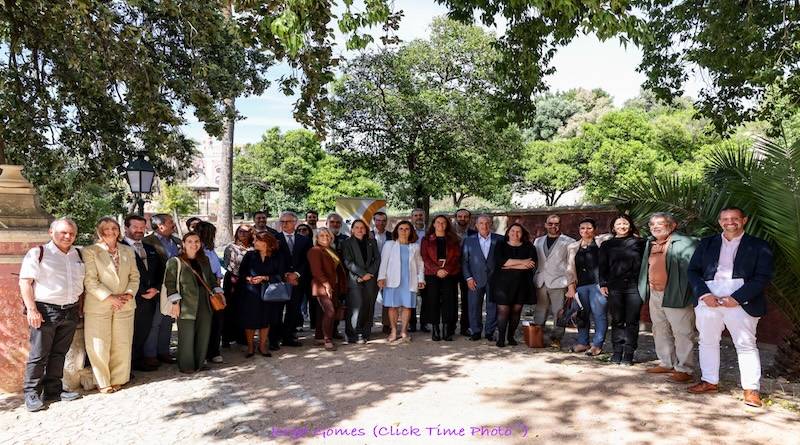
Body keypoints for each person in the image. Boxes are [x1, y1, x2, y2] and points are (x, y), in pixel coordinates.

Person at [687, 207, 774, 408]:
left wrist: (737, 298)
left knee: (746, 344)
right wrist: (704, 295)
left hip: (741, 301)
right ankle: (709, 381)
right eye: (725, 219)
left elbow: (763, 276)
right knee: (707, 341)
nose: (730, 222)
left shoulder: (759, 245)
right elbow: (693, 271)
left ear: (744, 220)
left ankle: (751, 390)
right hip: (708, 299)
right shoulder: (706, 243)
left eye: (735, 218)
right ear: (720, 222)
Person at [18, 218, 84, 412]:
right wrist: (32, 309)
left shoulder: (78, 254)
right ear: (51, 232)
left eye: (71, 233)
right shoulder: (38, 253)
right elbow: (25, 282)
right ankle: (31, 393)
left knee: (59, 353)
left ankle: (53, 390)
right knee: (39, 354)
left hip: (70, 310)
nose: (67, 236)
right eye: (63, 232)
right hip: (45, 310)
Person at [638, 212, 698, 383]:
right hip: (655, 293)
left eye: (660, 223)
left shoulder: (686, 242)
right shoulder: (650, 243)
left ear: (672, 225)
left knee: (682, 332)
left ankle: (685, 369)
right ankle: (666, 362)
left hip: (676, 292)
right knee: (660, 328)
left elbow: (694, 270)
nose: (655, 227)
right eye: (652, 224)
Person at [82, 217, 139, 393]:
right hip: (99, 304)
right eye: (106, 228)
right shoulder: (90, 251)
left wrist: (129, 294)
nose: (110, 231)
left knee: (122, 343)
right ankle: (103, 381)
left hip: (125, 304)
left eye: (114, 227)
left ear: (119, 230)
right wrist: (110, 298)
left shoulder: (128, 250)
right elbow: (90, 280)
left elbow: (134, 276)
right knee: (98, 344)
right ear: (99, 231)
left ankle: (118, 378)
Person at [163, 232, 224, 373]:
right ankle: (187, 365)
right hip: (185, 301)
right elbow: (170, 283)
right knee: (187, 335)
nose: (193, 244)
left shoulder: (204, 260)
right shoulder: (175, 261)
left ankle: (200, 362)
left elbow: (211, 279)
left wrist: (218, 292)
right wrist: (175, 303)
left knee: (203, 332)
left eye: (196, 241)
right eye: (189, 241)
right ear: (183, 244)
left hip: (205, 300)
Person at [599, 214, 646, 365]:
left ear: (630, 225)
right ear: (613, 227)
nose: (622, 226)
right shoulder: (607, 245)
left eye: (625, 223)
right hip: (614, 287)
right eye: (618, 224)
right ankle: (617, 352)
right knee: (617, 320)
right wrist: (603, 284)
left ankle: (629, 353)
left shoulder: (641, 243)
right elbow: (602, 266)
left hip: (634, 287)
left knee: (632, 320)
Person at [122, 215, 163, 373]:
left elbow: (160, 272)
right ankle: (125, 367)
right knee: (127, 334)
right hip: (130, 299)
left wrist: (156, 289)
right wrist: (138, 292)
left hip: (150, 299)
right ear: (126, 228)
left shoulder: (150, 248)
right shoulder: (120, 248)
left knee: (143, 332)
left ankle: (137, 361)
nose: (139, 230)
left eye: (142, 227)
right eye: (135, 227)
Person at [238, 230, 288, 358]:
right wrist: (248, 278)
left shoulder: (278, 256)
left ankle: (262, 346)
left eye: (257, 240)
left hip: (269, 292)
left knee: (265, 320)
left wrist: (265, 278)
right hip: (251, 292)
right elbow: (241, 272)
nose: (254, 242)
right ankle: (250, 347)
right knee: (250, 320)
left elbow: (280, 275)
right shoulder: (250, 255)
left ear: (266, 242)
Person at [565, 218, 611, 356]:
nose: (585, 231)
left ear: (595, 229)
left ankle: (597, 345)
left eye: (589, 228)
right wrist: (571, 287)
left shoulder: (601, 242)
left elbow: (615, 234)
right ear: (579, 230)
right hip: (581, 286)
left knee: (599, 315)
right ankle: (583, 342)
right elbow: (569, 269)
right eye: (582, 228)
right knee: (582, 315)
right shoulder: (573, 247)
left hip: (598, 286)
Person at [143, 213, 182, 364]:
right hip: (156, 287)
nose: (173, 224)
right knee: (155, 322)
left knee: (167, 320)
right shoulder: (147, 242)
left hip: (174, 287)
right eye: (170, 222)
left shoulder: (177, 241)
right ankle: (150, 354)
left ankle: (164, 351)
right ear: (161, 226)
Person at [533, 214, 576, 349]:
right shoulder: (538, 241)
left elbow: (571, 265)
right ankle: (537, 337)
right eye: (550, 223)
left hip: (559, 281)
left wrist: (571, 285)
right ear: (545, 225)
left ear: (560, 225)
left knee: (559, 312)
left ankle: (556, 338)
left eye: (556, 224)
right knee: (540, 310)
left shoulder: (569, 241)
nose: (553, 226)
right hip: (541, 281)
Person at [378, 221, 425, 342]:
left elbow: (420, 264)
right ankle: (393, 331)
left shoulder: (415, 246)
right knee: (393, 307)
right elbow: (383, 262)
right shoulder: (389, 244)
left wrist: (421, 279)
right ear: (396, 231)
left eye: (407, 229)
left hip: (409, 281)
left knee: (407, 307)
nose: (404, 231)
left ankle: (404, 331)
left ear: (411, 231)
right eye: (401, 229)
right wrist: (381, 277)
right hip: (392, 281)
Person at [492, 223, 537, 347]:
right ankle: (501, 338)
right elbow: (500, 262)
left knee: (516, 311)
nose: (515, 234)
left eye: (518, 231)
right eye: (512, 231)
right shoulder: (500, 245)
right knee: (503, 311)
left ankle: (511, 337)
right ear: (508, 232)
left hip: (522, 284)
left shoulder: (529, 247)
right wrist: (522, 262)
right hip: (502, 285)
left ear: (522, 234)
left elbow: (531, 265)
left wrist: (509, 264)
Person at [272, 211, 312, 348]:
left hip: (297, 282)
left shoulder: (304, 240)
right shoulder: (274, 238)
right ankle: (274, 339)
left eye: (287, 221)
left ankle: (288, 337)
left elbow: (307, 260)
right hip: (279, 281)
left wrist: (296, 274)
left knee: (293, 310)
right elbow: (272, 260)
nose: (284, 224)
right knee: (277, 311)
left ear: (295, 222)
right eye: (282, 222)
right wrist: (285, 275)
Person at [420, 215, 462, 341]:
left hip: (450, 274)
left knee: (449, 301)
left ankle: (446, 329)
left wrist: (446, 269)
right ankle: (435, 329)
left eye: (443, 222)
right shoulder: (426, 239)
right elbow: (424, 257)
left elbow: (457, 257)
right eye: (438, 222)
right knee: (433, 301)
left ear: (447, 225)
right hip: (432, 274)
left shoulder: (454, 239)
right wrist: (437, 270)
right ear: (433, 224)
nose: (440, 224)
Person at [461, 215, 503, 341]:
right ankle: (476, 331)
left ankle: (489, 331)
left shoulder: (500, 239)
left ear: (491, 224)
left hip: (494, 279)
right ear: (476, 225)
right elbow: (464, 261)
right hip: (475, 278)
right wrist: (468, 278)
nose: (484, 226)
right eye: (481, 223)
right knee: (474, 306)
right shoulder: (469, 240)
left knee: (492, 306)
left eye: (487, 223)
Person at [307, 228, 348, 350]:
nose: (325, 238)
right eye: (322, 236)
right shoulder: (315, 250)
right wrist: (326, 284)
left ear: (331, 237)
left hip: (334, 285)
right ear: (316, 238)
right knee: (330, 312)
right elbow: (316, 271)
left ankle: (319, 337)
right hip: (322, 286)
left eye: (327, 235)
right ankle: (327, 340)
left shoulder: (331, 250)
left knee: (323, 312)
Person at [341, 220, 381, 344]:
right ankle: (353, 334)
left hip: (371, 279)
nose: (359, 230)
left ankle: (365, 332)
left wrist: (369, 274)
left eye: (362, 227)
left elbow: (377, 259)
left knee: (368, 306)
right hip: (355, 279)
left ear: (365, 230)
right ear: (352, 230)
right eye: (357, 227)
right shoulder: (346, 243)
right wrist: (362, 274)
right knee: (356, 306)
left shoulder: (372, 242)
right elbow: (348, 262)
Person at [194, 221, 225, 364]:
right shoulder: (196, 250)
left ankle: (214, 351)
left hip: (215, 288)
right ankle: (203, 352)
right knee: (204, 321)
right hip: (202, 288)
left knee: (216, 320)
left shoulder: (210, 249)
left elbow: (217, 269)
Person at [221, 224, 253, 349]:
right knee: (230, 309)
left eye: (246, 231)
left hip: (248, 280)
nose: (243, 234)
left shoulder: (253, 247)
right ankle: (226, 338)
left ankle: (242, 337)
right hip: (233, 280)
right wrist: (238, 276)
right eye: (240, 231)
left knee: (244, 309)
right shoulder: (231, 247)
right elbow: (228, 264)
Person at [454, 208, 477, 336]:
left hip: (468, 270)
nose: (462, 219)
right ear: (455, 218)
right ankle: (450, 326)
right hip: (451, 269)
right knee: (451, 299)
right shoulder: (448, 233)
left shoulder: (475, 234)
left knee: (467, 299)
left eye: (465, 216)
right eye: (460, 216)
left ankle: (465, 327)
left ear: (469, 218)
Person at [371, 211, 394, 334]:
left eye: (383, 221)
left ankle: (387, 324)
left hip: (388, 272)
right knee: (370, 299)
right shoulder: (367, 235)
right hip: (372, 272)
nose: (381, 223)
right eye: (378, 220)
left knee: (388, 298)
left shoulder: (392, 235)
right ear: (374, 221)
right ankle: (368, 324)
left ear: (386, 222)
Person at [410, 207, 427, 333]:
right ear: (412, 218)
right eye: (415, 215)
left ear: (424, 217)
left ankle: (424, 323)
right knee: (411, 297)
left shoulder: (430, 231)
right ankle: (412, 324)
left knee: (426, 298)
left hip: (427, 268)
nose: (418, 218)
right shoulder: (407, 231)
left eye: (420, 215)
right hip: (411, 268)